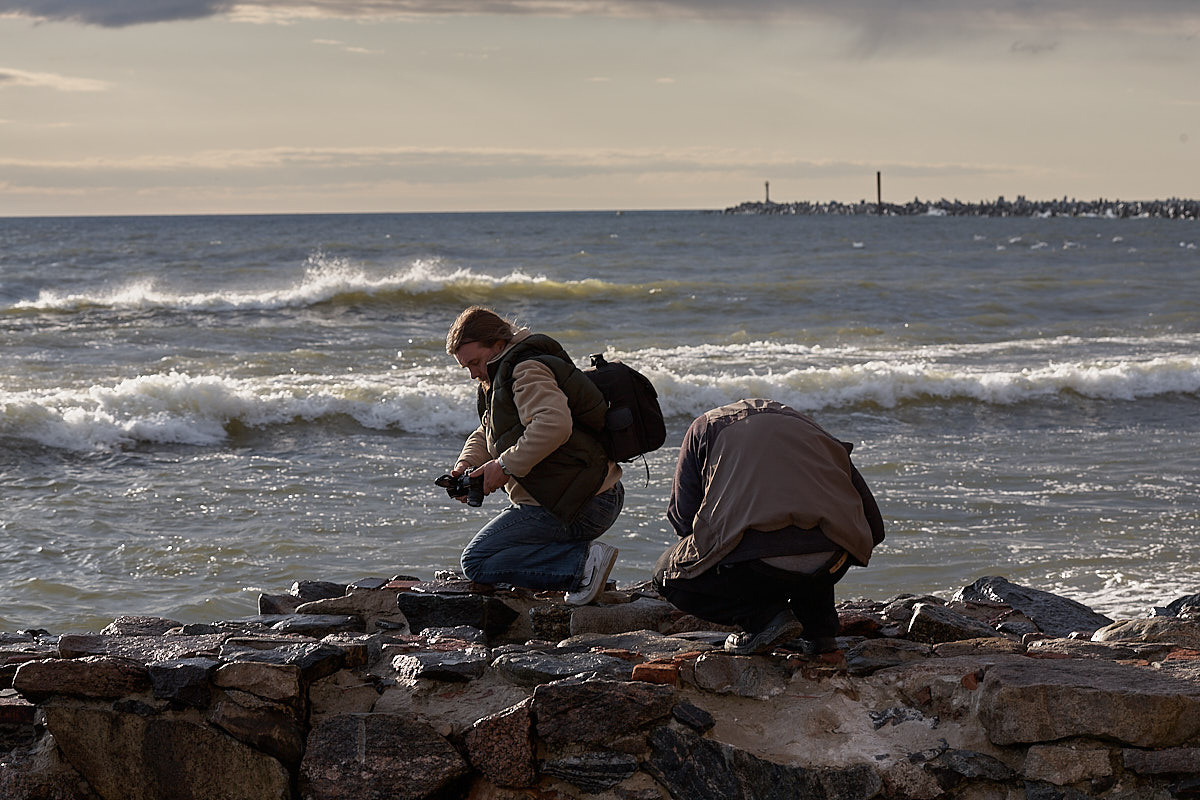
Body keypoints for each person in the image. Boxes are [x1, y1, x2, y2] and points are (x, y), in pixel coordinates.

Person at [653, 398, 885, 654]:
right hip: (831, 563)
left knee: (666, 574)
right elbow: (874, 526)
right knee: (813, 538)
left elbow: (683, 520)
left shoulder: (703, 428)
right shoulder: (811, 427)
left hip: (755, 567)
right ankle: (821, 636)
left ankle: (764, 619)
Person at [445, 306, 624, 605]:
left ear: (498, 345)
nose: (473, 373)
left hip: (584, 502)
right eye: (467, 367)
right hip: (579, 495)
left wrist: (503, 466)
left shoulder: (525, 369)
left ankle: (583, 566)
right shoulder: (499, 374)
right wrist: (467, 465)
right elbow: (490, 431)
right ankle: (584, 564)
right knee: (493, 553)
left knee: (477, 560)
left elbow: (554, 425)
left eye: (475, 362)